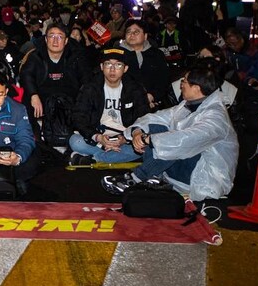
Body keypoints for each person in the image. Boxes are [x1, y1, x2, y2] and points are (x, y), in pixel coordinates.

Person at [102, 63, 239, 202]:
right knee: (156, 127)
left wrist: (148, 139)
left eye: (184, 81)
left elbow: (187, 139)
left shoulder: (216, 116)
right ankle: (153, 177)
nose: (181, 85)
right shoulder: (188, 105)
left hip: (203, 177)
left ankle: (137, 177)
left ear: (196, 88)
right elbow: (156, 117)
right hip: (183, 168)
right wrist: (137, 132)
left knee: (176, 141)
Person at [68, 47, 149, 166]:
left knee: (144, 146)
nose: (112, 69)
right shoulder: (90, 87)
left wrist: (126, 138)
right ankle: (109, 157)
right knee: (75, 141)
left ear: (125, 68)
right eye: (108, 64)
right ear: (101, 67)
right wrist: (98, 138)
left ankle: (94, 158)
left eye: (118, 65)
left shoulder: (135, 89)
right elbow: (79, 117)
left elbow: (144, 117)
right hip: (99, 136)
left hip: (124, 137)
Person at [19, 23, 91, 147]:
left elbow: (86, 79)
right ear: (46, 39)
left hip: (69, 98)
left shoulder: (76, 56)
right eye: (52, 36)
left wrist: (82, 99)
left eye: (60, 37)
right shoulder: (36, 56)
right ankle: (34, 140)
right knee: (27, 100)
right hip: (41, 98)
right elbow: (26, 75)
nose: (55, 41)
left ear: (66, 40)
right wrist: (34, 95)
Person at [118, 19, 170, 109]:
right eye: (128, 32)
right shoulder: (117, 55)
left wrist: (152, 96)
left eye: (136, 32)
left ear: (145, 36)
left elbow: (164, 79)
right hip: (123, 102)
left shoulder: (157, 54)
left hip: (153, 102)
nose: (132, 34)